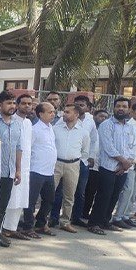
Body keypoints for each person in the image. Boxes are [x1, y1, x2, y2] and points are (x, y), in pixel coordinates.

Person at [87, 98, 136, 236]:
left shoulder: (130, 127)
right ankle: (94, 223)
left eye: (124, 106)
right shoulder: (106, 125)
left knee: (114, 196)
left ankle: (105, 221)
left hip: (123, 168)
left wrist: (127, 163)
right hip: (108, 167)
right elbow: (108, 147)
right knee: (104, 196)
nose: (121, 108)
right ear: (113, 108)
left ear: (128, 109)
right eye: (118, 106)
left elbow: (133, 147)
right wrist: (123, 161)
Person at [53, 95, 99, 228]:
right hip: (56, 164)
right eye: (64, 111)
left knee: (70, 195)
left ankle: (65, 221)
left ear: (76, 114)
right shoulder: (56, 128)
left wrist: (80, 160)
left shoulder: (84, 132)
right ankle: (50, 219)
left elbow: (85, 149)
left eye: (67, 112)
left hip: (74, 165)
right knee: (53, 193)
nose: (64, 114)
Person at [0, 90, 23, 247]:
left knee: (2, 205)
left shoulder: (17, 124)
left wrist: (18, 170)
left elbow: (18, 148)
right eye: (9, 103)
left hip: (9, 172)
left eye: (14, 103)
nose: (12, 106)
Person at [20, 102, 57, 237]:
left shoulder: (50, 127)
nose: (53, 114)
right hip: (36, 170)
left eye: (54, 111)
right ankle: (28, 227)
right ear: (41, 114)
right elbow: (27, 149)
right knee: (31, 201)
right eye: (50, 112)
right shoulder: (34, 129)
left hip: (49, 171)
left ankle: (41, 224)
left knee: (49, 199)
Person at [0, 94, 34, 241]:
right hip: (9, 167)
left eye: (29, 103)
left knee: (20, 198)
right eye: (23, 103)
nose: (27, 106)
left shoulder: (28, 123)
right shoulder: (9, 121)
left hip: (24, 167)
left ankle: (12, 228)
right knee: (9, 199)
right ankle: (2, 229)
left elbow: (26, 146)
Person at [111, 103, 136, 228]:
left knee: (134, 192)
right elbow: (127, 147)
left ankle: (126, 216)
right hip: (129, 165)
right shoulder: (128, 126)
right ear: (131, 112)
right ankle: (117, 217)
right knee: (127, 191)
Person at [82, 109, 110, 220]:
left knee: (92, 191)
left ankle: (85, 213)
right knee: (83, 190)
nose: (103, 119)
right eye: (101, 116)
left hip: (99, 166)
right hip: (87, 163)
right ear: (94, 116)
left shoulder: (106, 130)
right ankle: (78, 213)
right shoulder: (90, 127)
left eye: (105, 117)